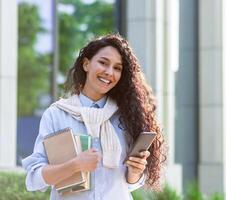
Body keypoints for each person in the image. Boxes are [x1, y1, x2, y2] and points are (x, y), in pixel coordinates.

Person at [22, 33, 166, 200]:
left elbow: (129, 184)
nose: (109, 72)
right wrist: (75, 165)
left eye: (117, 68)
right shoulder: (57, 114)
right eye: (103, 63)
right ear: (86, 64)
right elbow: (34, 179)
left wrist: (135, 172)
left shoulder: (126, 117)